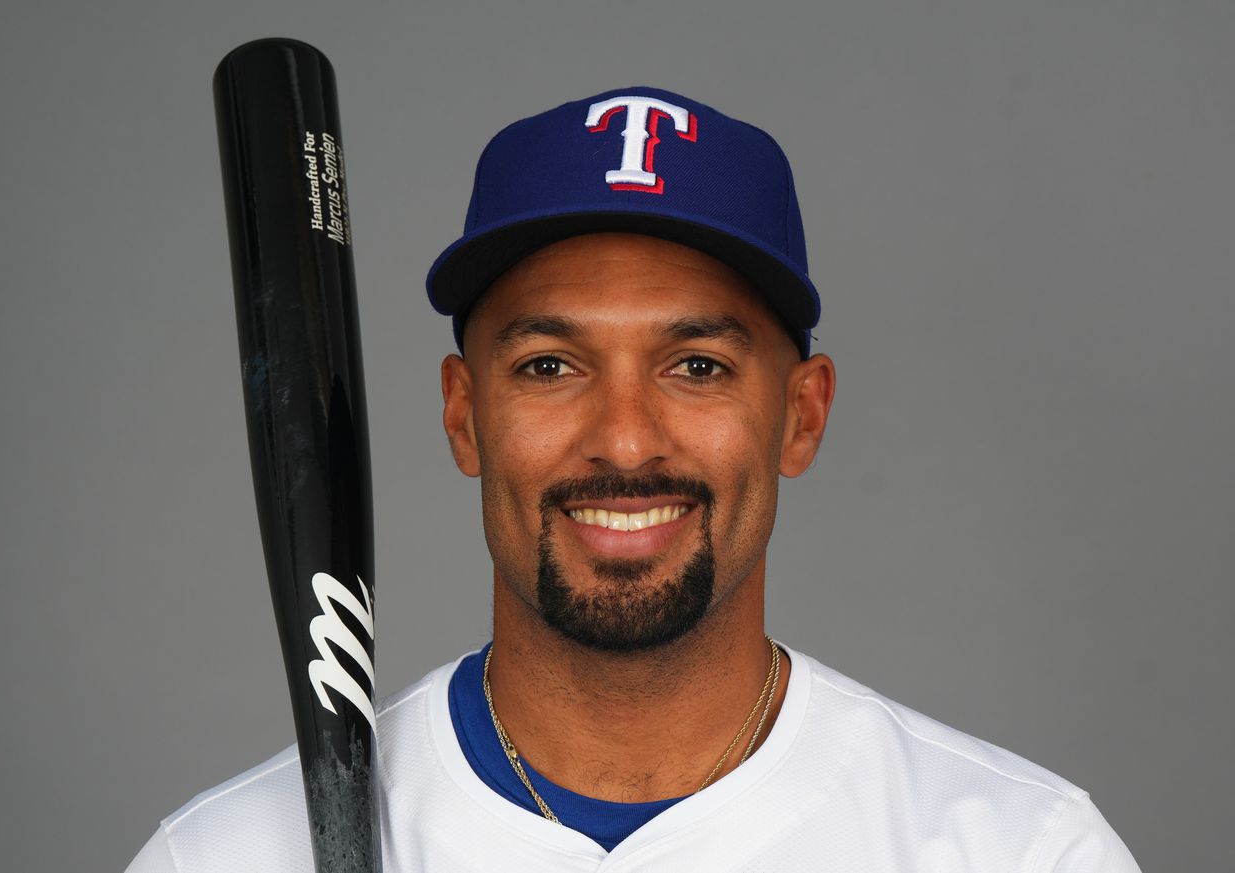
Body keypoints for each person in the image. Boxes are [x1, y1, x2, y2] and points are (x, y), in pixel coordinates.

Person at [126, 87, 1140, 872]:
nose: (622, 441)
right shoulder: (229, 858)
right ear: (462, 413)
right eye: (549, 367)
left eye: (695, 366)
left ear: (800, 414)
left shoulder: (1014, 850)